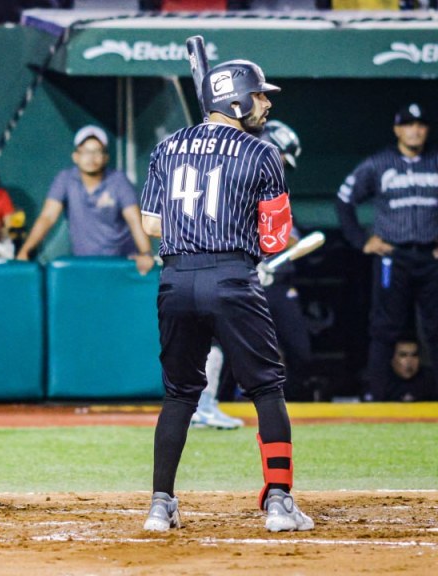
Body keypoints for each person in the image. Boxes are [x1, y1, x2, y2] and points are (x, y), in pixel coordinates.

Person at [139, 59, 313, 532]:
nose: (267, 102)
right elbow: (276, 239)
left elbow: (151, 225)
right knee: (267, 388)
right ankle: (278, 500)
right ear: (234, 99)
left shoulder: (167, 147)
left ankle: (160, 504)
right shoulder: (263, 152)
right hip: (233, 277)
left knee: (179, 395)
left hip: (175, 278)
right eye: (259, 94)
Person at [193, 119, 311, 428]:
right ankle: (203, 405)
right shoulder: (238, 173)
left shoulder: (266, 184)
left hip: (258, 275)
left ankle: (207, 404)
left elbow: (285, 233)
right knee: (217, 341)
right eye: (280, 159)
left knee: (281, 348)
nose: (280, 167)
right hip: (225, 269)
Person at [335, 103, 438, 403]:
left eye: (420, 125)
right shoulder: (379, 164)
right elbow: (344, 198)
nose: (415, 130)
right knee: (384, 329)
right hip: (393, 256)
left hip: (433, 255)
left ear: (426, 129)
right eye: (408, 124)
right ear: (397, 129)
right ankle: (377, 398)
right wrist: (361, 240)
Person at [16, 125, 155, 276]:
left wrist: (146, 253)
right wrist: (25, 251)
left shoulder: (118, 180)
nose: (91, 157)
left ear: (106, 157)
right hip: (84, 266)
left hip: (121, 264)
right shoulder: (65, 179)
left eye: (97, 151)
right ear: (75, 156)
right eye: (86, 152)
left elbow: (134, 219)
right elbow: (47, 217)